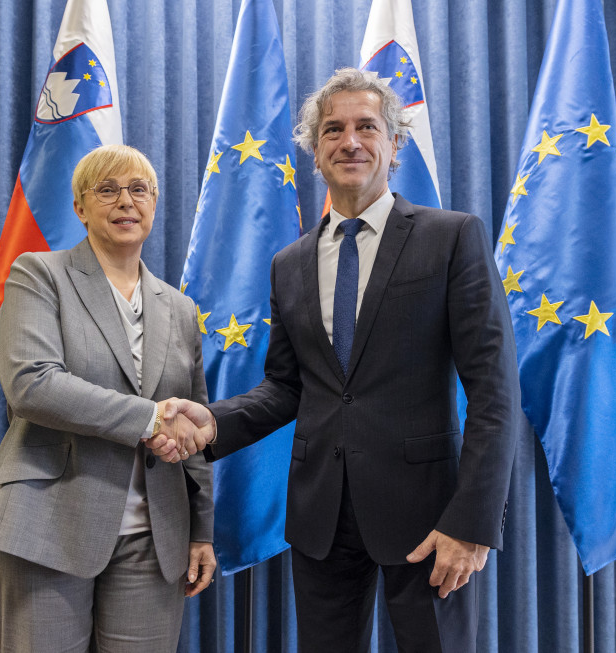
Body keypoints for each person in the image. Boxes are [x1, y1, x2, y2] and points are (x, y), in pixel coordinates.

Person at [150, 68, 520, 652]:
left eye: (366, 126)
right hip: (321, 518)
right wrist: (213, 421)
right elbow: (286, 387)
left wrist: (471, 522)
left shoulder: (452, 238)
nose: (350, 141)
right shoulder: (289, 262)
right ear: (314, 152)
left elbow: (495, 393)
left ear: (395, 142)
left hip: (429, 519)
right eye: (332, 130)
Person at [0, 144, 216, 653]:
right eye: (107, 190)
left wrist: (202, 530)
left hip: (154, 542)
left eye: (139, 190)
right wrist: (151, 419)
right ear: (81, 207)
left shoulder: (182, 308)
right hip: (45, 529)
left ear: (154, 204)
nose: (125, 201)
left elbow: (192, 426)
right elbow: (33, 385)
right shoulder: (39, 274)